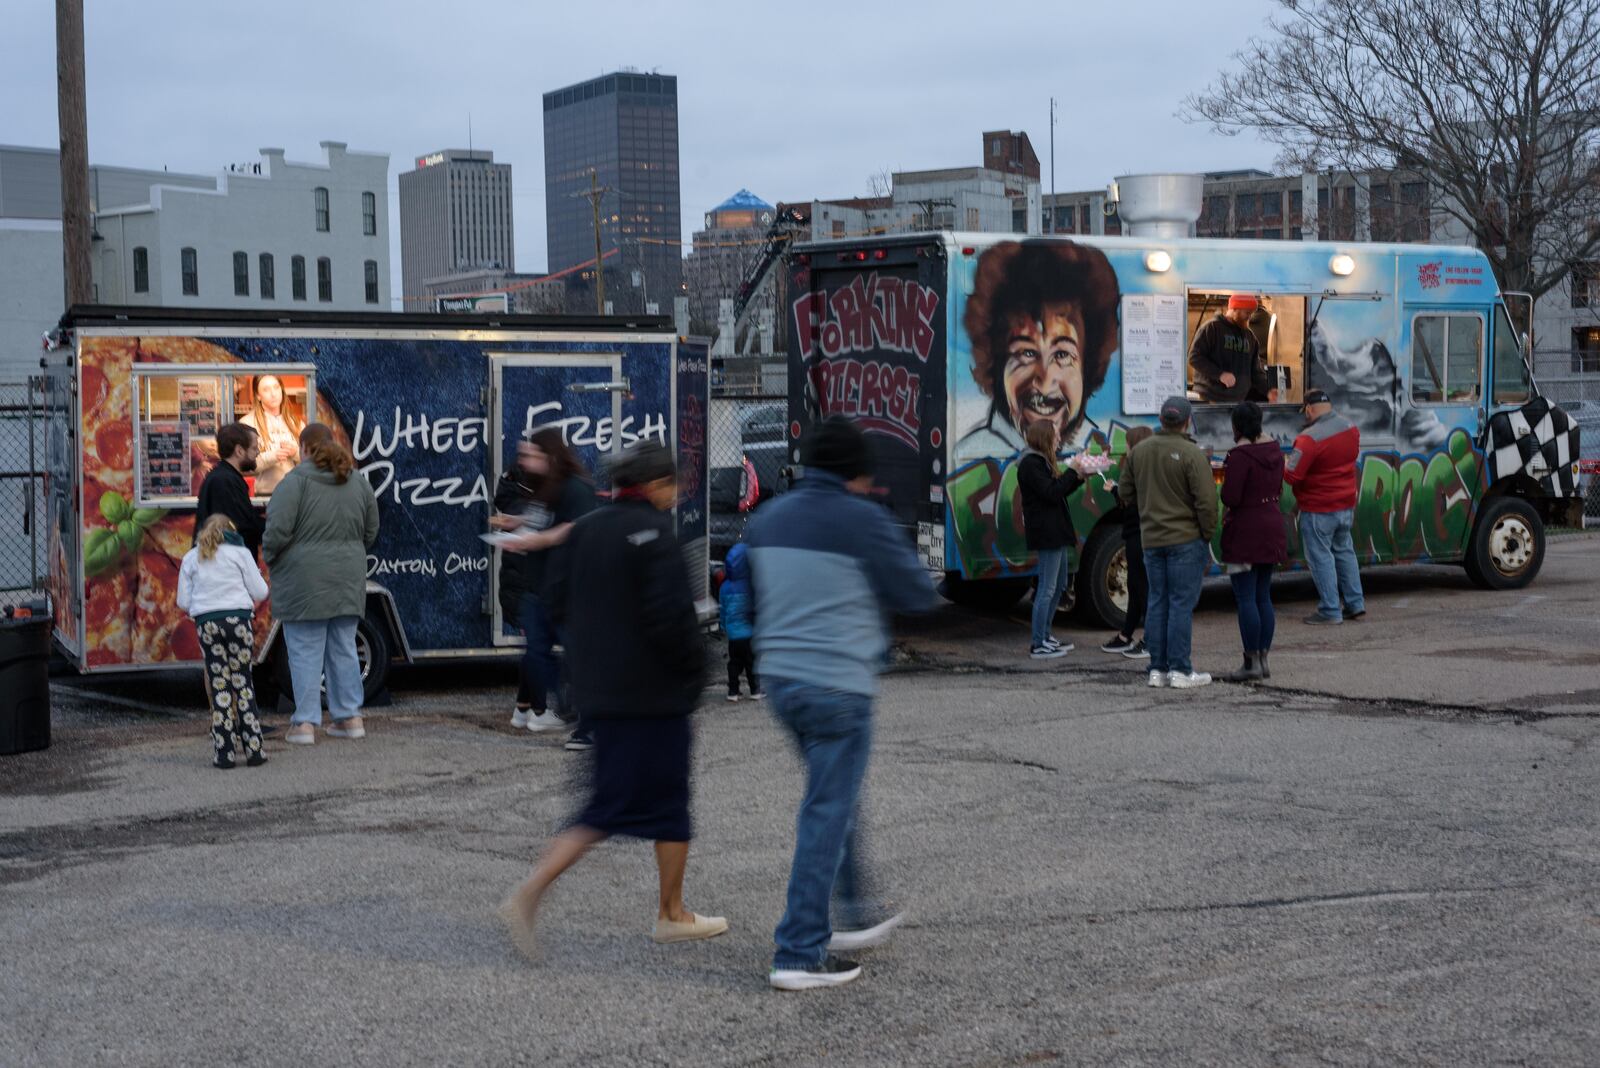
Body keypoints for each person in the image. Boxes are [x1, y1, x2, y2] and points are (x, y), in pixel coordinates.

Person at [498, 441, 727, 955]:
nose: (678, 492)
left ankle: (671, 910)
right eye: (674, 483)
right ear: (654, 486)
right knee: (652, 804)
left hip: (600, 691)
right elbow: (673, 620)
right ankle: (662, 911)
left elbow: (555, 597)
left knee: (611, 804)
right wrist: (696, 675)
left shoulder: (589, 528)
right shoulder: (656, 535)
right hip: (655, 694)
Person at [745, 415, 938, 992]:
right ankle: (799, 950)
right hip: (837, 684)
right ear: (857, 474)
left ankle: (854, 912)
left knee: (836, 797)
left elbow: (753, 600)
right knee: (827, 810)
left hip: (780, 680)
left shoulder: (768, 518)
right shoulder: (863, 519)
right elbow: (916, 593)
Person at [263, 424, 380, 745]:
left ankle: (304, 725)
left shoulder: (294, 484)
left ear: (303, 448)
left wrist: (272, 560)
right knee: (344, 650)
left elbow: (276, 534)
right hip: (347, 580)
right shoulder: (358, 483)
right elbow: (371, 533)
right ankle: (350, 718)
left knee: (304, 653)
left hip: (303, 583)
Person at [958, 240, 1120, 455]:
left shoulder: (1101, 443)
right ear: (994, 362)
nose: (1045, 382)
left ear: (1088, 365)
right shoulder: (973, 453)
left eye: (1062, 354)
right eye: (1026, 353)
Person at [490, 428, 596, 737]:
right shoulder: (540, 488)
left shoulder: (576, 488)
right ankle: (558, 707)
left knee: (575, 656)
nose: (523, 461)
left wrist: (536, 540)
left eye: (529, 455)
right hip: (538, 588)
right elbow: (542, 519)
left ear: (548, 456)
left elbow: (573, 527)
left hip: (566, 588)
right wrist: (515, 524)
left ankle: (585, 721)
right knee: (536, 653)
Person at [1117, 396, 1218, 689]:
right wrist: (1206, 533)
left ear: (1161, 420)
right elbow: (1207, 502)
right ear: (1187, 421)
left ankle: (1157, 669)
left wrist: (1148, 505)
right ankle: (1181, 670)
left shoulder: (1140, 451)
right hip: (1185, 539)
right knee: (1180, 605)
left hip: (1151, 539)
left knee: (1158, 602)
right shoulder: (1191, 453)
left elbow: (1125, 491)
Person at [177, 514, 270, 769]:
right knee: (243, 684)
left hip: (207, 623)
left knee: (219, 686)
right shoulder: (240, 554)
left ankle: (224, 753)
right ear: (231, 531)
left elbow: (183, 602)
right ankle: (254, 750)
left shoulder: (191, 558)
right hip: (238, 622)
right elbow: (261, 591)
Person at [1284, 388, 1365, 625]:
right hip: (1345, 504)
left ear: (1309, 409)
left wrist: (1284, 463)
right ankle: (1355, 604)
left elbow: (1292, 476)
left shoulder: (1309, 438)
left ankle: (1330, 609)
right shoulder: (1351, 428)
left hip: (1319, 508)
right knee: (1344, 552)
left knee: (1321, 557)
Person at [1219, 402, 1287, 681]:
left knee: (1246, 597)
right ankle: (1264, 659)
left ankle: (1250, 663)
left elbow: (1230, 497)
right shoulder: (1275, 451)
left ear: (1236, 426)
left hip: (1245, 530)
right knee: (1263, 596)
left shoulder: (1240, 456)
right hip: (1271, 524)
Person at [1016, 420, 1083, 659]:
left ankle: (1045, 635)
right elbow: (1052, 492)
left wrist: (1079, 477)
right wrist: (1073, 471)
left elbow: (1058, 491)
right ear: (1044, 437)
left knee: (1060, 585)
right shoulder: (1031, 464)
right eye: (1055, 436)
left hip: (1056, 531)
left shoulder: (1040, 462)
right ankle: (1038, 643)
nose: (1058, 440)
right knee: (1047, 588)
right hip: (1047, 532)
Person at [1100, 425, 1153, 659]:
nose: (1127, 448)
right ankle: (1127, 634)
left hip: (1139, 532)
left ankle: (1150, 640)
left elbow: (1129, 499)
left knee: (1142, 587)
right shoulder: (1150, 465)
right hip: (1140, 531)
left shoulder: (1138, 466)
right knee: (1136, 585)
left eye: (1129, 443)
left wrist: (1115, 490)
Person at [1190, 295, 1278, 405]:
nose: (1249, 317)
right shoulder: (1212, 328)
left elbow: (1255, 372)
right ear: (1234, 309)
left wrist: (1268, 390)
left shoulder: (1250, 337)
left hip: (1238, 401)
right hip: (1210, 399)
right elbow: (1195, 357)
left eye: (1251, 313)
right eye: (1247, 313)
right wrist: (1220, 374)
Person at [194, 422, 264, 560]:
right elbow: (241, 525)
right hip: (226, 569)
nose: (258, 452)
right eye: (254, 448)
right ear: (239, 451)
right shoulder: (224, 481)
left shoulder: (223, 477)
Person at [240, 374, 304, 495]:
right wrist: (272, 457)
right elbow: (243, 466)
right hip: (265, 496)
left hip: (295, 494)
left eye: (276, 387)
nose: (273, 394)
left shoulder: (296, 423)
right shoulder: (246, 424)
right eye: (266, 389)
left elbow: (311, 461)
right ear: (258, 396)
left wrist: (295, 452)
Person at [718, 542, 762, 701]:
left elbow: (722, 610)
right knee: (751, 662)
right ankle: (755, 690)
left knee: (734, 663)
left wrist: (723, 625)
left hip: (733, 633)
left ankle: (733, 691)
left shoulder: (724, 587)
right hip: (749, 632)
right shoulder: (751, 585)